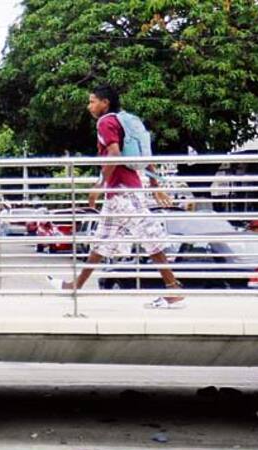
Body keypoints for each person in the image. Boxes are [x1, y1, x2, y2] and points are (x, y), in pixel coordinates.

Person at [48, 85, 184, 309]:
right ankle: (75, 286)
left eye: (92, 101)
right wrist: (153, 184)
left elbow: (114, 153)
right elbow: (143, 153)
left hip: (122, 192)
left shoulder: (105, 122)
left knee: (149, 237)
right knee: (102, 242)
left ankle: (173, 290)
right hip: (121, 191)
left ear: (105, 103)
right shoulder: (124, 121)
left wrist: (99, 184)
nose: (89, 106)